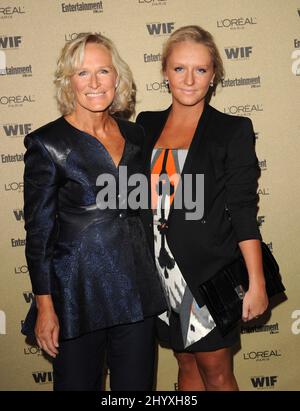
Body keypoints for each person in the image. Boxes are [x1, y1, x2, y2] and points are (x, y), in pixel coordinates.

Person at [21, 32, 166, 391]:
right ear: (68, 81)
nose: (94, 83)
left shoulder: (137, 135)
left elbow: (147, 210)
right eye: (82, 73)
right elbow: (39, 235)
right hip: (76, 293)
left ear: (117, 77)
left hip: (135, 289)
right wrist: (45, 306)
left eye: (103, 71)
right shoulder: (47, 143)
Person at [136, 25, 268, 391]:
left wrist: (255, 282)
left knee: (216, 371)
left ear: (214, 76)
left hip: (208, 274)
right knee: (185, 364)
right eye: (180, 69)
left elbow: (243, 210)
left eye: (201, 70)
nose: (190, 79)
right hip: (160, 276)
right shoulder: (145, 125)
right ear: (165, 72)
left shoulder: (232, 130)